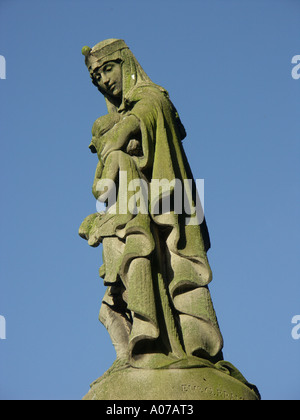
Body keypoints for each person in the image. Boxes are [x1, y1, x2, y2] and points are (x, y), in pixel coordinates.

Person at [79, 39, 224, 370]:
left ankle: (188, 345)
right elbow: (101, 189)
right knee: (130, 271)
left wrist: (122, 134)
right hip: (127, 213)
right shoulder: (110, 125)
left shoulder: (152, 97)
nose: (103, 80)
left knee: (170, 268)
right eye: (96, 77)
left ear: (125, 63)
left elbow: (149, 110)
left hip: (168, 203)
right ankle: (144, 340)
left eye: (107, 69)